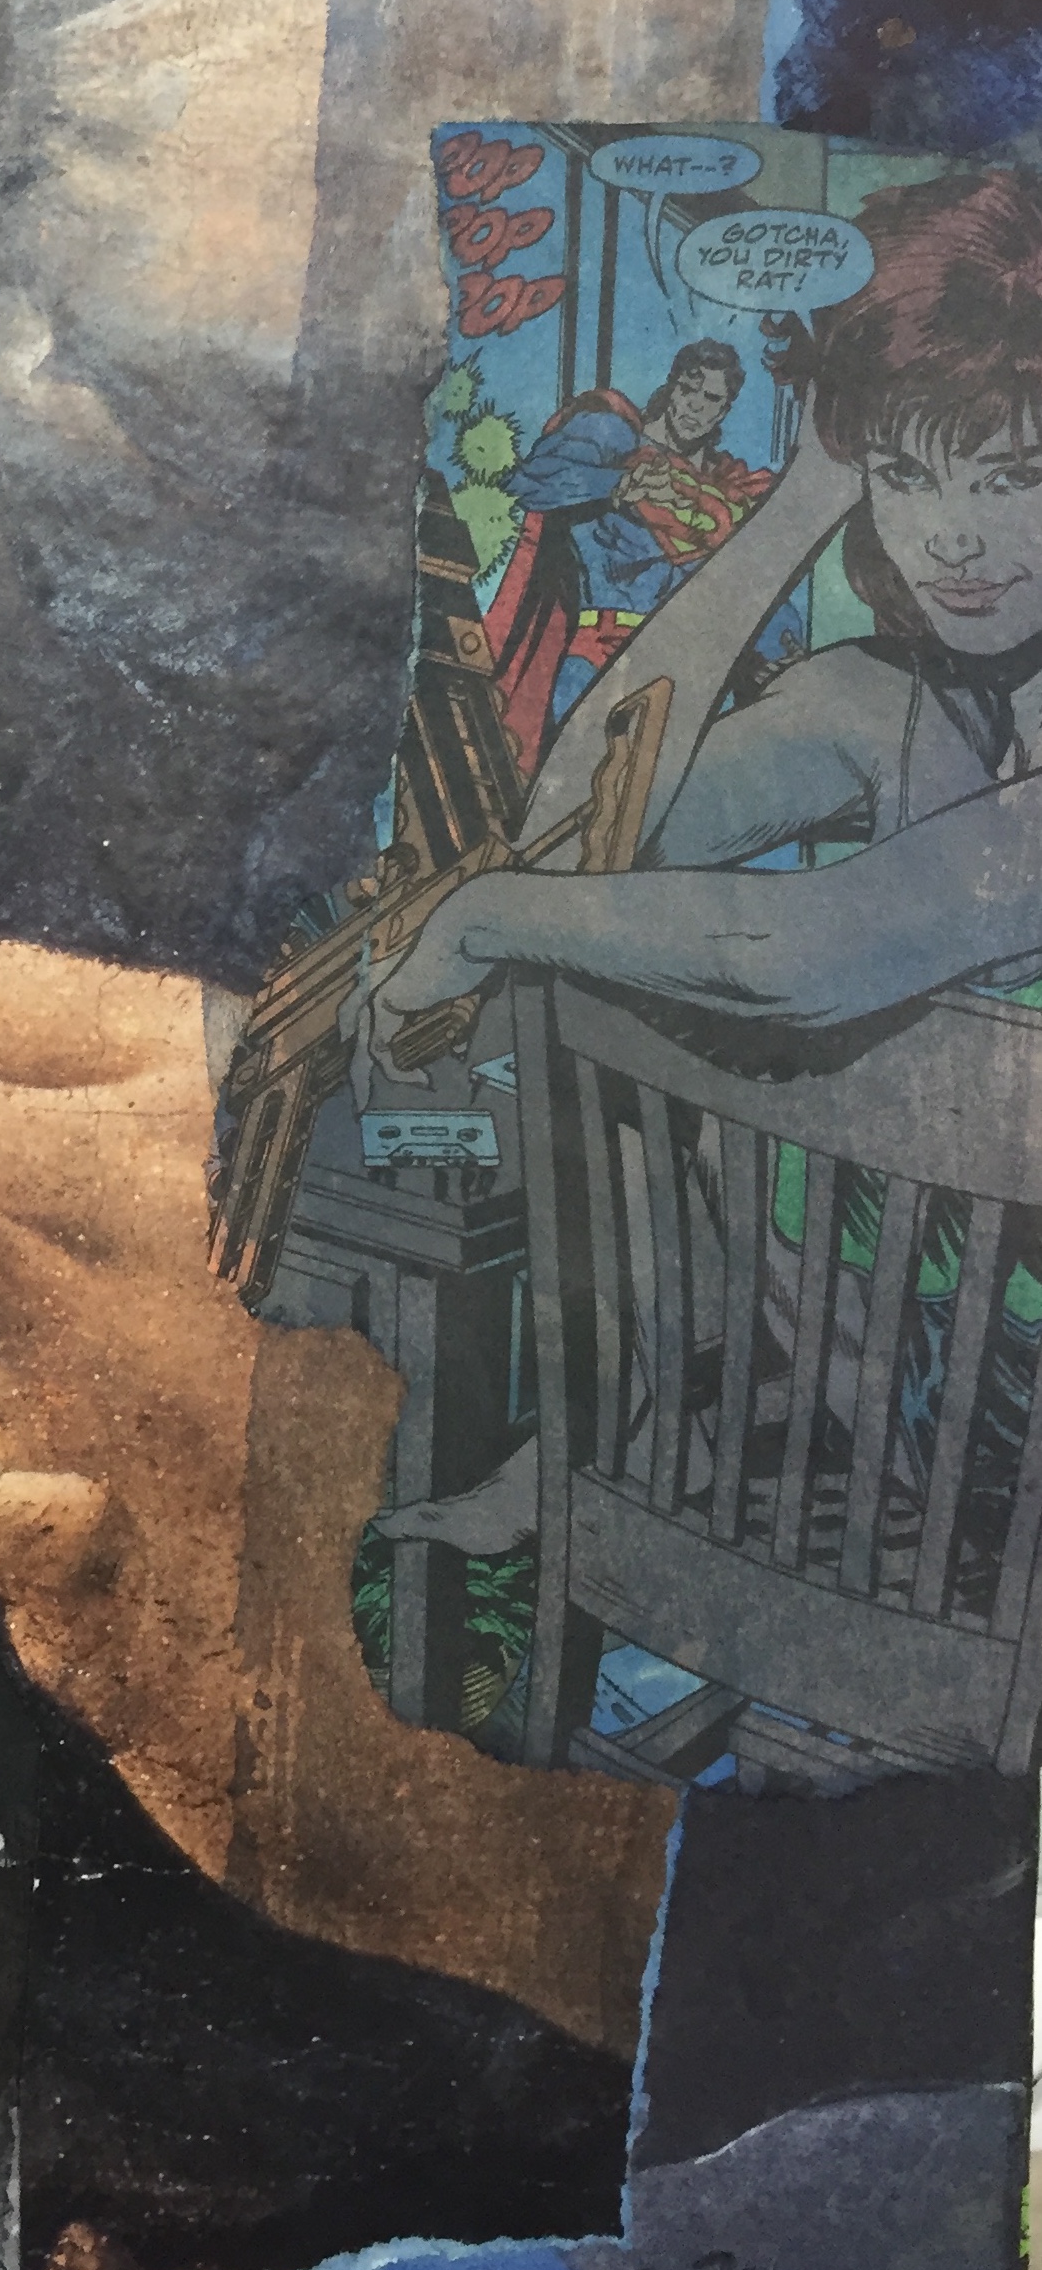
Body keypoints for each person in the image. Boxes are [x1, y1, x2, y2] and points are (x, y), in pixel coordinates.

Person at [371, 168, 1042, 1579]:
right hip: (900, 1382)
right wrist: (794, 507)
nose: (950, 536)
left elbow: (791, 957)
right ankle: (623, 1442)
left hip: (1004, 1441)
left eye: (1010, 477)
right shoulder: (903, 702)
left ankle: (626, 1454)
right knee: (615, 957)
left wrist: (480, 919)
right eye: (907, 472)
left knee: (650, 978)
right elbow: (579, 830)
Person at [488, 335, 778, 771]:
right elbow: (532, 481)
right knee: (572, 781)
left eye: (711, 399)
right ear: (672, 386)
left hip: (684, 674)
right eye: (689, 388)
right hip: (599, 659)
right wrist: (619, 486)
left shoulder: (728, 493)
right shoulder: (613, 434)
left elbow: (754, 583)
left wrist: (773, 654)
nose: (695, 406)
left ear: (724, 410)